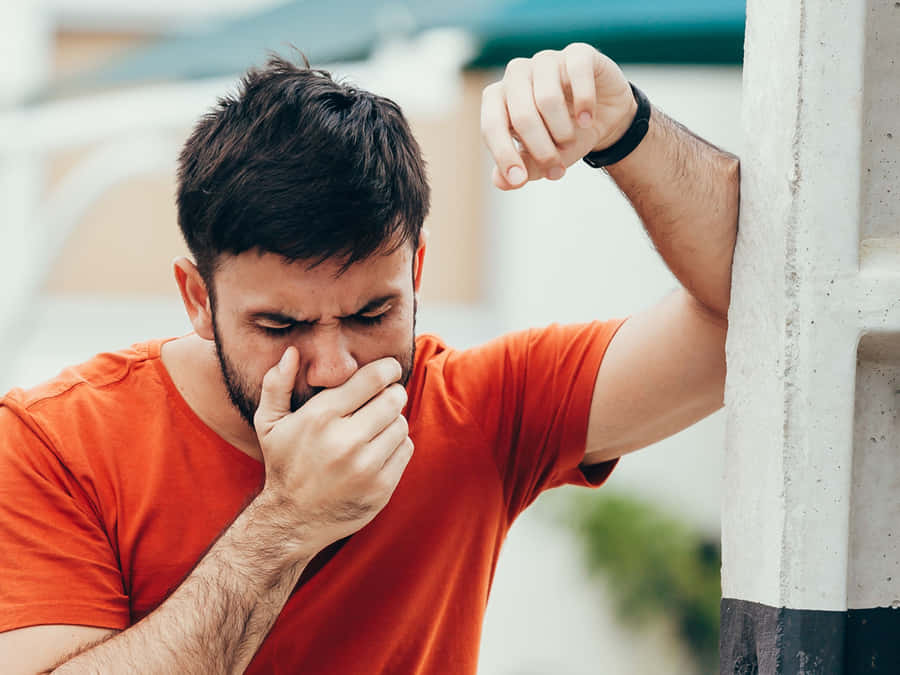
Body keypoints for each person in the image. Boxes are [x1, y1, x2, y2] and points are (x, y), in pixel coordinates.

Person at [0, 43, 738, 673]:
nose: (334, 368)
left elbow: (751, 319)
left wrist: (628, 129)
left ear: (416, 273)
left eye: (371, 314)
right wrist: (285, 525)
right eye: (280, 324)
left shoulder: (480, 408)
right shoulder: (56, 442)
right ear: (198, 298)